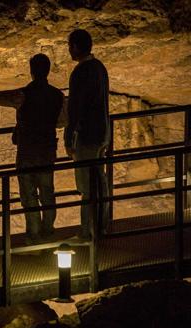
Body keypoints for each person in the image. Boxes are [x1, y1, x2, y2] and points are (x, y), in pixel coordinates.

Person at [0, 54, 64, 245]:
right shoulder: (57, 96)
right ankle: (48, 233)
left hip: (27, 153)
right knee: (47, 193)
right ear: (47, 71)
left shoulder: (24, 95)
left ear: (31, 71)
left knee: (29, 195)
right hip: (47, 151)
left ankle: (34, 237)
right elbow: (61, 120)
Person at [64, 29, 111, 240]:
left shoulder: (80, 72)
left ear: (75, 46)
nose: (69, 50)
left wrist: (68, 137)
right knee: (99, 180)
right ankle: (101, 226)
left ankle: (87, 232)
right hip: (102, 131)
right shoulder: (100, 67)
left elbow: (75, 108)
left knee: (86, 185)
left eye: (69, 46)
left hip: (87, 135)